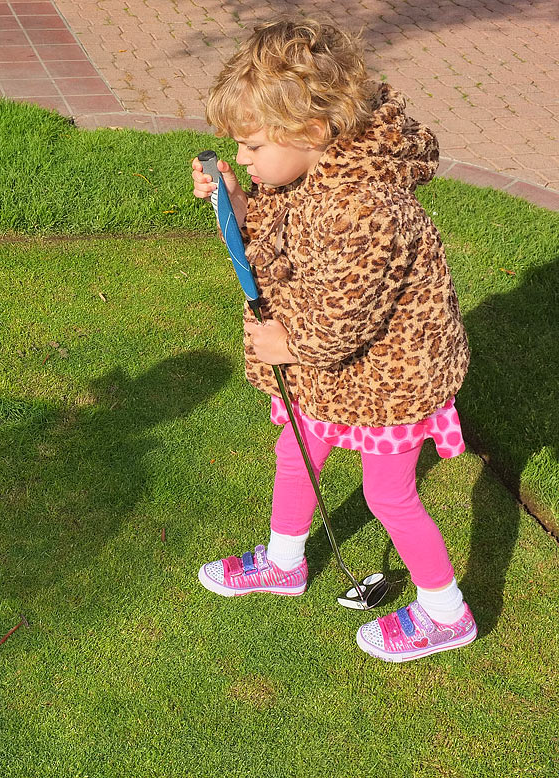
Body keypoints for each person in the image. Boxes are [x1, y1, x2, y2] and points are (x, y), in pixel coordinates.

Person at [190, 17, 477, 662]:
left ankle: (445, 611)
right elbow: (272, 244)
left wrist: (288, 345)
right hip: (325, 372)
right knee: (295, 451)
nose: (243, 157)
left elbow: (347, 316)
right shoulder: (305, 172)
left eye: (252, 147)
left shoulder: (364, 204)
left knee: (389, 495)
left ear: (313, 131)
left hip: (386, 379)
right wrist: (235, 201)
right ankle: (286, 562)